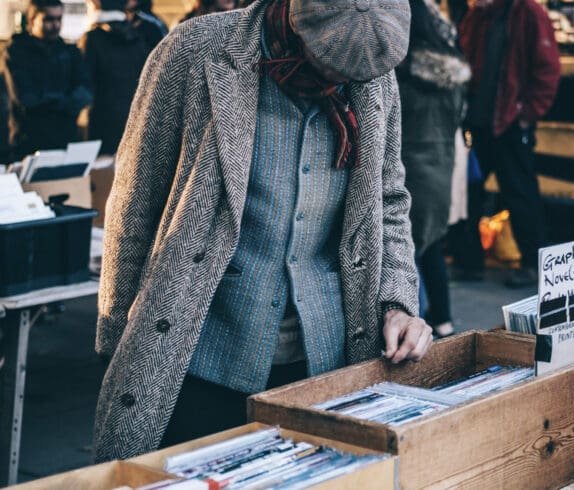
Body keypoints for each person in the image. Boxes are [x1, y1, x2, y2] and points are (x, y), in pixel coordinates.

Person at [93, 0, 432, 462]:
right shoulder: (195, 50)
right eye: (326, 66)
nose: (338, 85)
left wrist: (396, 304)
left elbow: (389, 199)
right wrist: (116, 338)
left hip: (322, 361)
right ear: (295, 22)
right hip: (197, 352)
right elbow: (134, 201)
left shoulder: (372, 77)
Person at [459, 0, 561, 287]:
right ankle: (470, 262)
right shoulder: (478, 15)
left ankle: (533, 265)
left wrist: (527, 114)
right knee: (470, 194)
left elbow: (548, 69)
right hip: (479, 123)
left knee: (520, 193)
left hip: (510, 123)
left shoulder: (527, 12)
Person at [397, 0, 470, 338]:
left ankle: (416, 321)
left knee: (403, 252)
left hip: (407, 166)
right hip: (442, 166)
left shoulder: (401, 70)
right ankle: (441, 320)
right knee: (431, 246)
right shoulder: (452, 72)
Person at [1, 0, 92, 160]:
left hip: (65, 140)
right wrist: (64, 102)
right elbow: (25, 98)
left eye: (59, 19)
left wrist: (51, 101)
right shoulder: (16, 52)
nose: (55, 25)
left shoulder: (69, 51)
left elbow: (85, 93)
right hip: (27, 143)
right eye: (48, 19)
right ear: (32, 20)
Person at [79, 0, 155, 155]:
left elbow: (84, 84)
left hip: (102, 122)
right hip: (135, 119)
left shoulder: (92, 39)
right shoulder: (139, 37)